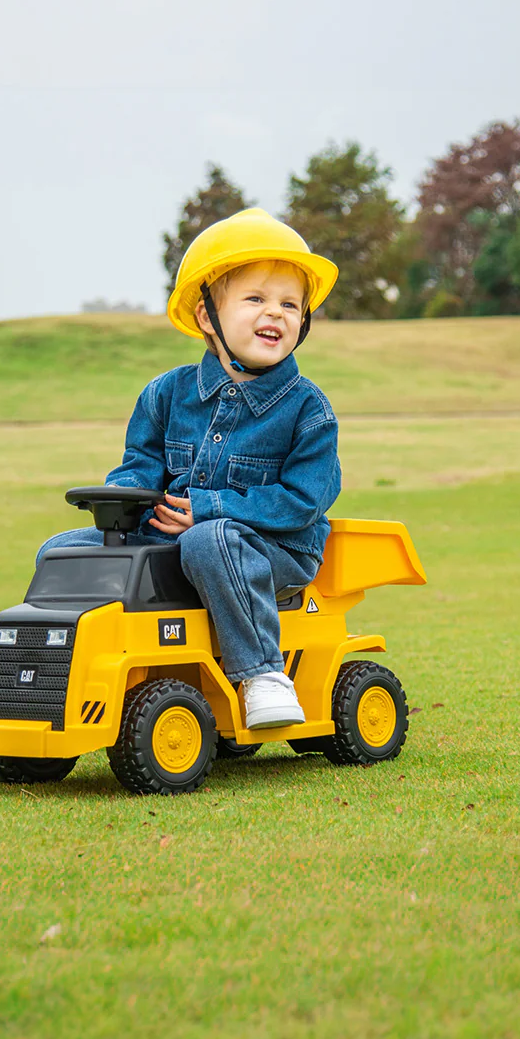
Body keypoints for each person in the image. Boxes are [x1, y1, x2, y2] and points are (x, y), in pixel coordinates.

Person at [37, 208, 341, 728]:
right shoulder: (165, 394)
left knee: (211, 540)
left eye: (291, 304)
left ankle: (263, 675)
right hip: (172, 541)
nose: (277, 314)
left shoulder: (308, 410)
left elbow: (304, 500)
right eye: (256, 299)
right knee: (60, 552)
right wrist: (122, 503)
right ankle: (50, 677)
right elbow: (140, 466)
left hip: (275, 550)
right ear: (207, 316)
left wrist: (208, 510)